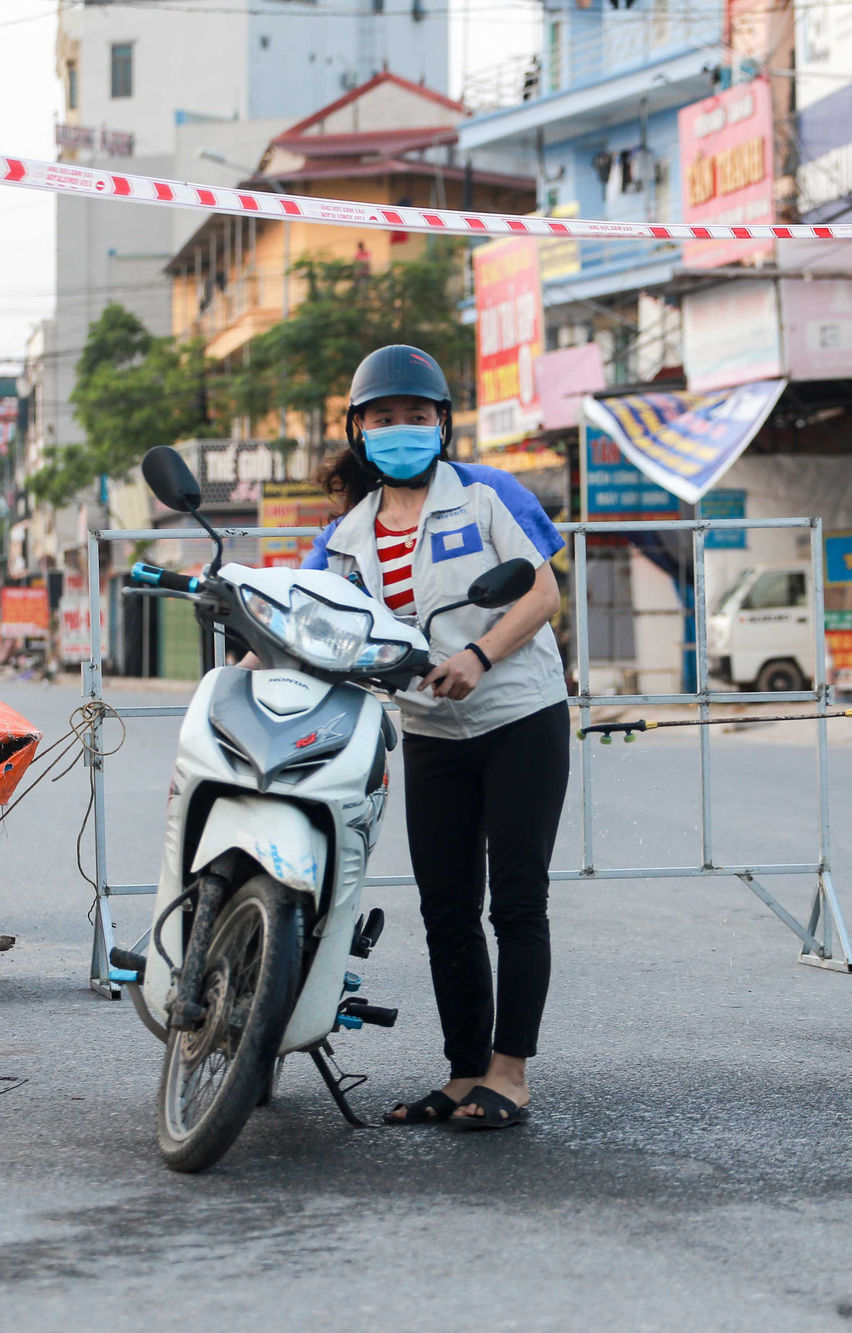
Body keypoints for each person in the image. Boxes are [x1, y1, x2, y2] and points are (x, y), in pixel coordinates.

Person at [302, 344, 570, 1131]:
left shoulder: (487, 493)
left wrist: (480, 655)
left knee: (516, 902)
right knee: (446, 908)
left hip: (520, 717)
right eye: (383, 418)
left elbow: (543, 591)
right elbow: (303, 609)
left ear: (443, 423)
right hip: (428, 731)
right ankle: (463, 1073)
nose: (400, 429)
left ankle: (510, 1073)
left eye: (415, 416)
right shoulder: (346, 536)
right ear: (358, 429)